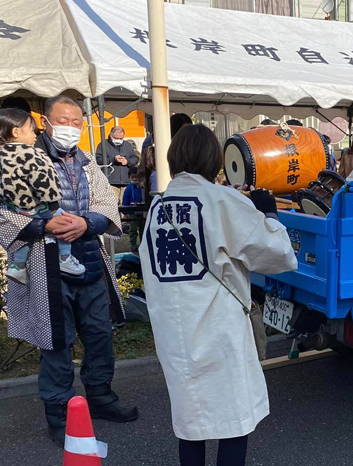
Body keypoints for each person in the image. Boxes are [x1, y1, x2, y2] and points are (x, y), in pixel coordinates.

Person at [0, 95, 138, 447]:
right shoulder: (22, 159)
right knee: (56, 342)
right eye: (62, 119)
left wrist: (85, 222)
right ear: (45, 122)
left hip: (91, 263)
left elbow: (106, 204)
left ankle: (100, 397)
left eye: (76, 121)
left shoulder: (86, 163)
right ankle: (59, 412)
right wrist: (42, 226)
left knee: (100, 335)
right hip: (46, 266)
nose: (70, 127)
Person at [139, 124, 297, 466]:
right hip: (218, 329)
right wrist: (266, 211)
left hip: (175, 332)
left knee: (190, 421)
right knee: (232, 420)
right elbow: (277, 254)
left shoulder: (158, 207)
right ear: (215, 161)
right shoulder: (223, 200)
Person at [0, 108, 86, 284]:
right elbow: (45, 181)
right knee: (64, 224)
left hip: (14, 208)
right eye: (32, 130)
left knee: (25, 237)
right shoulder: (32, 153)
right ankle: (65, 258)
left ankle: (18, 266)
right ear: (16, 132)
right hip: (38, 205)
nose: (36, 135)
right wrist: (53, 204)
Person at [95, 126, 140, 204]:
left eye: (121, 138)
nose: (119, 140)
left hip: (126, 181)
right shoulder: (103, 145)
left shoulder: (128, 145)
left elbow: (135, 158)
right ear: (111, 135)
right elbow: (99, 160)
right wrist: (113, 159)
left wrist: (127, 161)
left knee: (125, 205)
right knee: (112, 205)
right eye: (116, 138)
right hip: (110, 181)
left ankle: (124, 216)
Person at [121, 169, 144, 251]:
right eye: (132, 177)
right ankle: (133, 245)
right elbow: (125, 201)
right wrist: (125, 212)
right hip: (132, 212)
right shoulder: (128, 189)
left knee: (143, 229)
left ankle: (143, 244)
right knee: (133, 229)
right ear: (129, 177)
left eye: (136, 177)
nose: (135, 179)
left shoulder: (142, 187)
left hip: (142, 211)